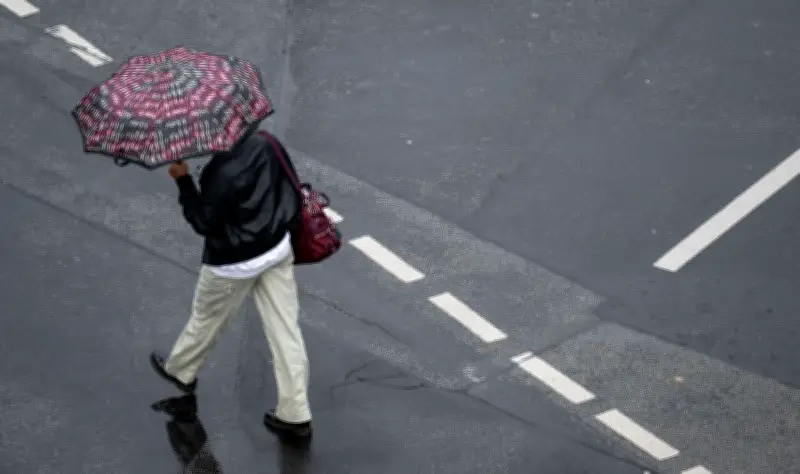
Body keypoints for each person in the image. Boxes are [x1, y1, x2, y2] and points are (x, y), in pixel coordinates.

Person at [148, 129, 313, 438]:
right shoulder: (267, 142)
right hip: (276, 249)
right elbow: (289, 185)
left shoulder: (220, 171)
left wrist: (183, 181)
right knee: (286, 331)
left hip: (232, 263)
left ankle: (182, 370)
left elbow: (203, 221)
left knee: (207, 319)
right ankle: (295, 413)